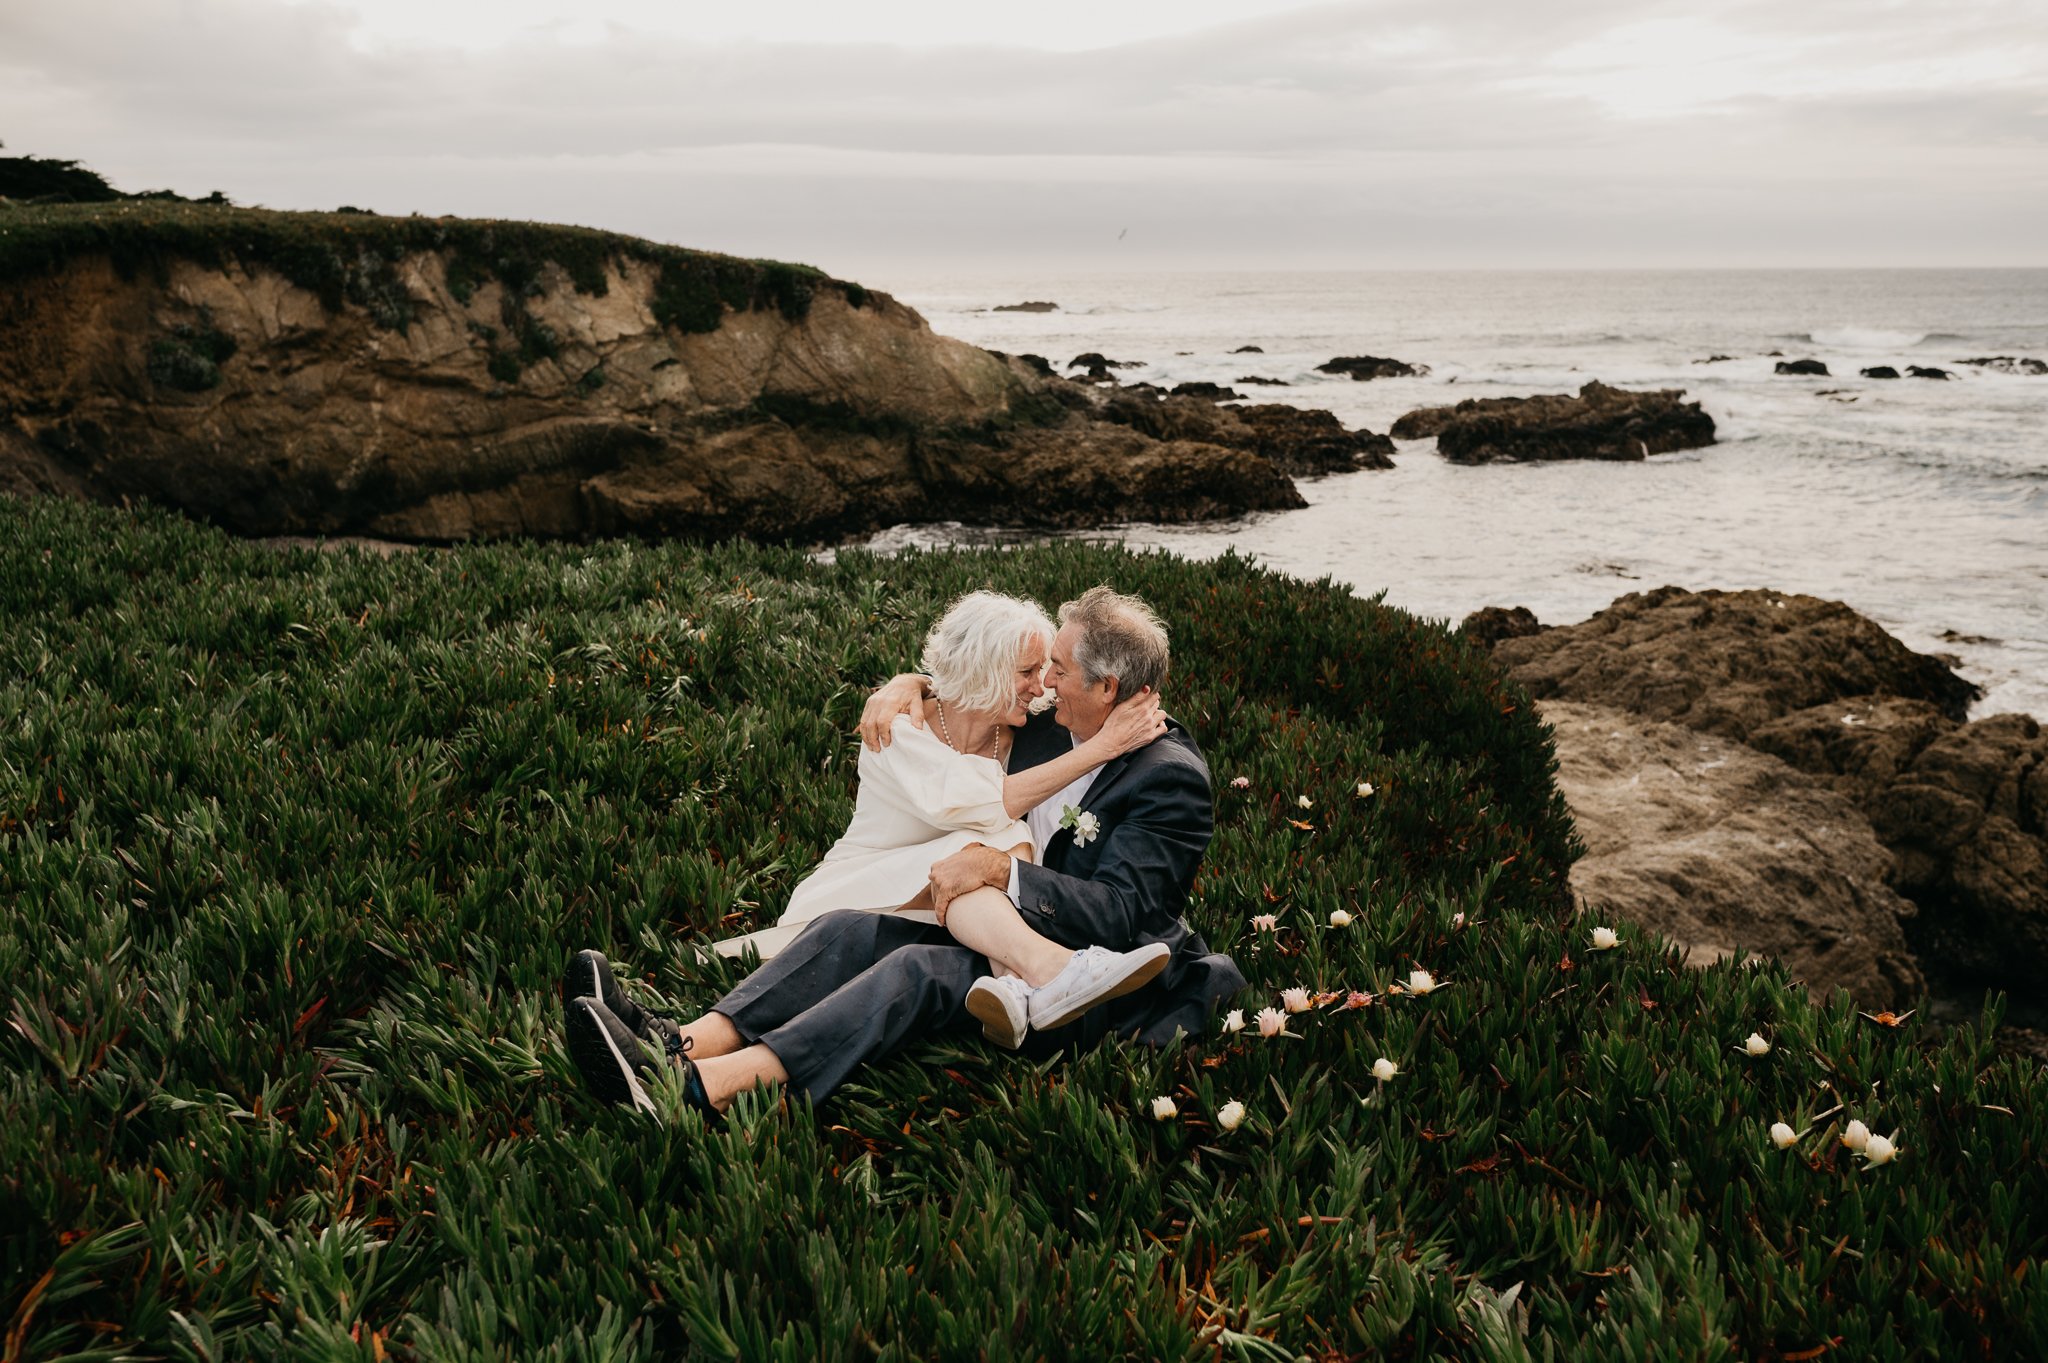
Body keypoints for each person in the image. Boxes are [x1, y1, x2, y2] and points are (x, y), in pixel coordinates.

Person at [562, 586, 1244, 1119]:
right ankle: (672, 1042)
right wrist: (905, 685)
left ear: (1110, 691)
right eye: (1044, 670)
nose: (1043, 684)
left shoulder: (1168, 776)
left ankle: (701, 1089)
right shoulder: (1054, 722)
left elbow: (1123, 913)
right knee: (848, 929)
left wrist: (1004, 870)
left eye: (1058, 671)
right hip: (1014, 936)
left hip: (1103, 980)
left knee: (915, 971)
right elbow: (975, 686)